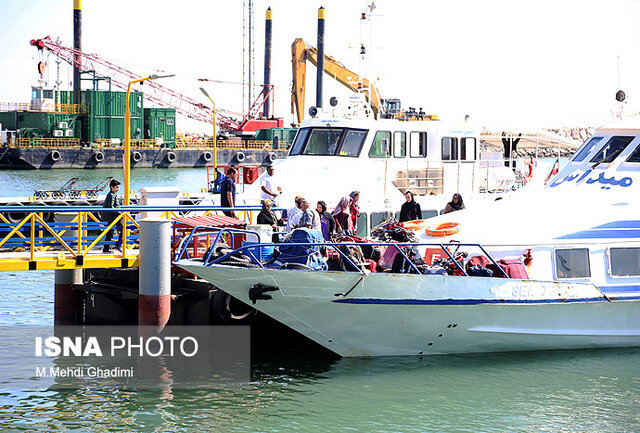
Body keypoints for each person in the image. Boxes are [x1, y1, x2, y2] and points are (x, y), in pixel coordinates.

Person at [102, 179, 122, 252]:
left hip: (112, 217)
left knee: (110, 232)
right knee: (122, 228)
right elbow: (111, 207)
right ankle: (118, 245)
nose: (118, 189)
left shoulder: (112, 194)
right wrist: (119, 213)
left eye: (118, 187)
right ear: (111, 187)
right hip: (113, 217)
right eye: (116, 187)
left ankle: (106, 248)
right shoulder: (111, 195)